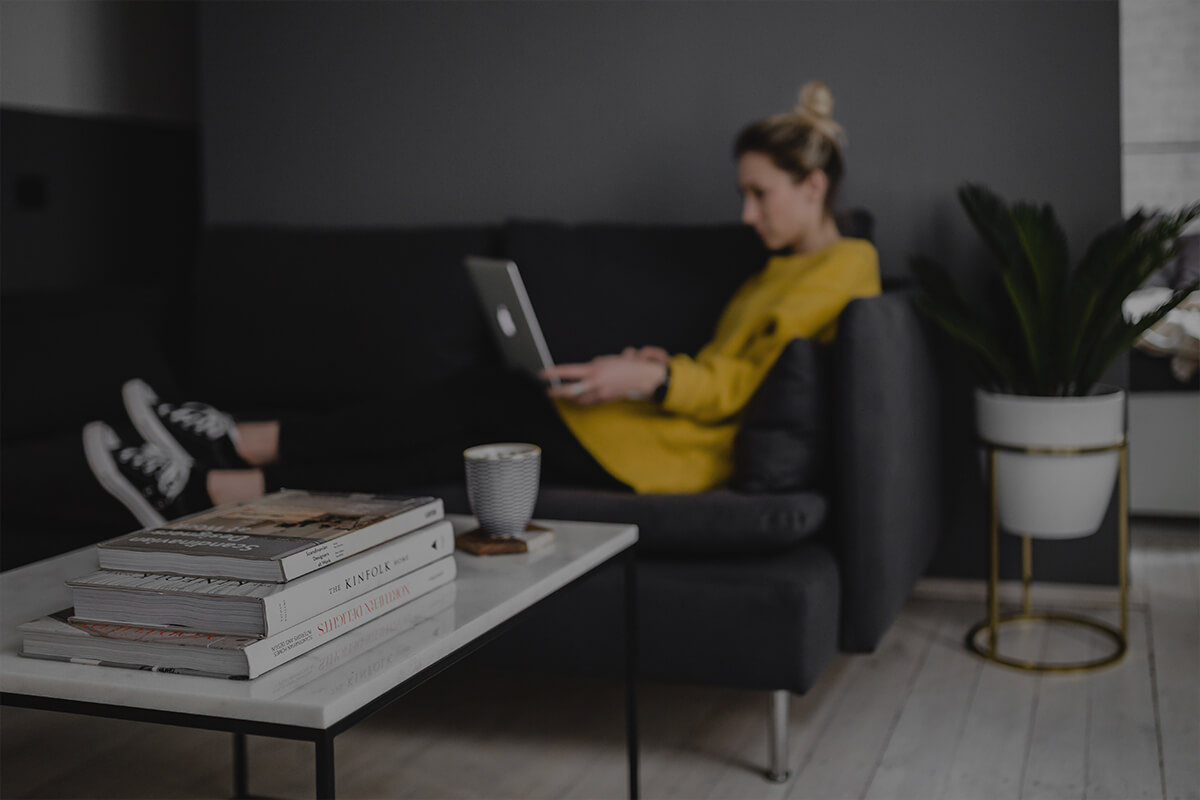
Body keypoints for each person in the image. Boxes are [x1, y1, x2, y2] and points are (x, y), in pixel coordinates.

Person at [84, 80, 881, 528]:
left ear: (813, 187)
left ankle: (231, 448)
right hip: (657, 427)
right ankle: (218, 479)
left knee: (477, 405)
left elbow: (744, 387)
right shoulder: (778, 267)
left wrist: (652, 381)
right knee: (453, 443)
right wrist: (652, 366)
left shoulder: (845, 271)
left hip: (673, 458)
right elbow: (728, 365)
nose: (746, 215)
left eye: (760, 195)